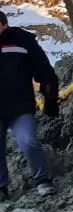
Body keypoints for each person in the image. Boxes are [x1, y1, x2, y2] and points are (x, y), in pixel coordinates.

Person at [0, 11, 59, 199]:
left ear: (3, 24)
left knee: (28, 141)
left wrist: (50, 99)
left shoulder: (23, 40)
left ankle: (43, 181)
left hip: (21, 106)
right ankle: (1, 188)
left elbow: (44, 70)